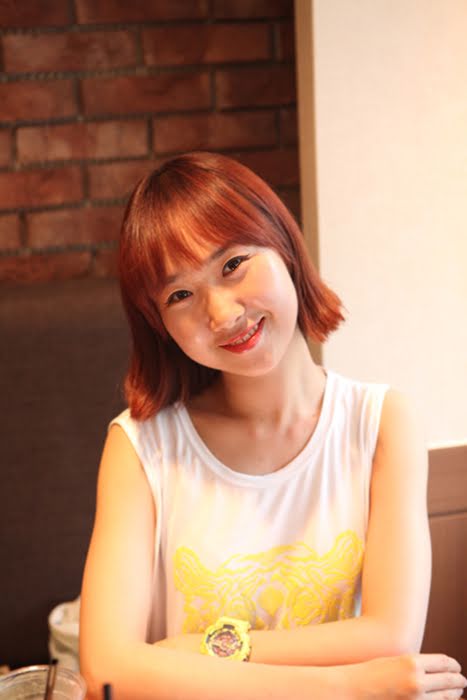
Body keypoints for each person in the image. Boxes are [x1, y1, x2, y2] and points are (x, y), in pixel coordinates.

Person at [79, 152, 465, 700]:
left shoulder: (382, 422)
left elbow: (391, 636)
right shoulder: (140, 448)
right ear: (159, 325)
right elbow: (108, 670)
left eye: (233, 264)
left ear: (283, 245)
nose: (221, 314)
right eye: (180, 295)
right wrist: (346, 686)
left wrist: (200, 649)